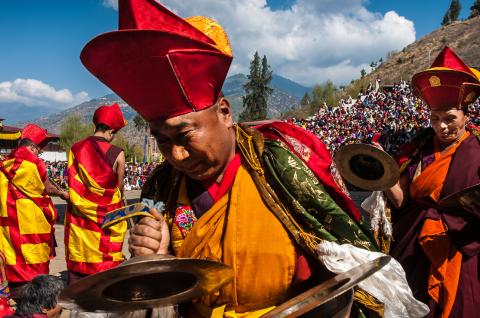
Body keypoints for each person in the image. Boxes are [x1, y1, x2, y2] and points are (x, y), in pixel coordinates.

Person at [80, 1, 427, 317]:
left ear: (226, 112)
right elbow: (157, 292)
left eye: (185, 136)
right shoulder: (162, 185)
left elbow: (346, 261)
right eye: (162, 141)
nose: (177, 155)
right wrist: (154, 262)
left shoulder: (279, 163)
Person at [378, 47, 480, 317]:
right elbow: (401, 199)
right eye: (435, 119)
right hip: (414, 245)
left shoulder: (477, 148)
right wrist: (380, 170)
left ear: (466, 116)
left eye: (450, 119)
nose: (442, 126)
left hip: (459, 246)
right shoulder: (419, 148)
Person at [0, 124, 69, 298]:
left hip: (9, 222)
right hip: (31, 221)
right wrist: (62, 193)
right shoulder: (34, 164)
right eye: (39, 149)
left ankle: (16, 292)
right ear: (31, 147)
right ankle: (35, 296)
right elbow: (47, 188)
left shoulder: (4, 164)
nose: (40, 152)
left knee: (14, 256)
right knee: (33, 257)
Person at [64, 103, 127, 285]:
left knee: (81, 250)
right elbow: (119, 187)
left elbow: (73, 183)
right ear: (111, 131)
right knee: (105, 255)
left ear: (95, 126)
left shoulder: (76, 149)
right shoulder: (118, 154)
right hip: (107, 216)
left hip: (81, 216)